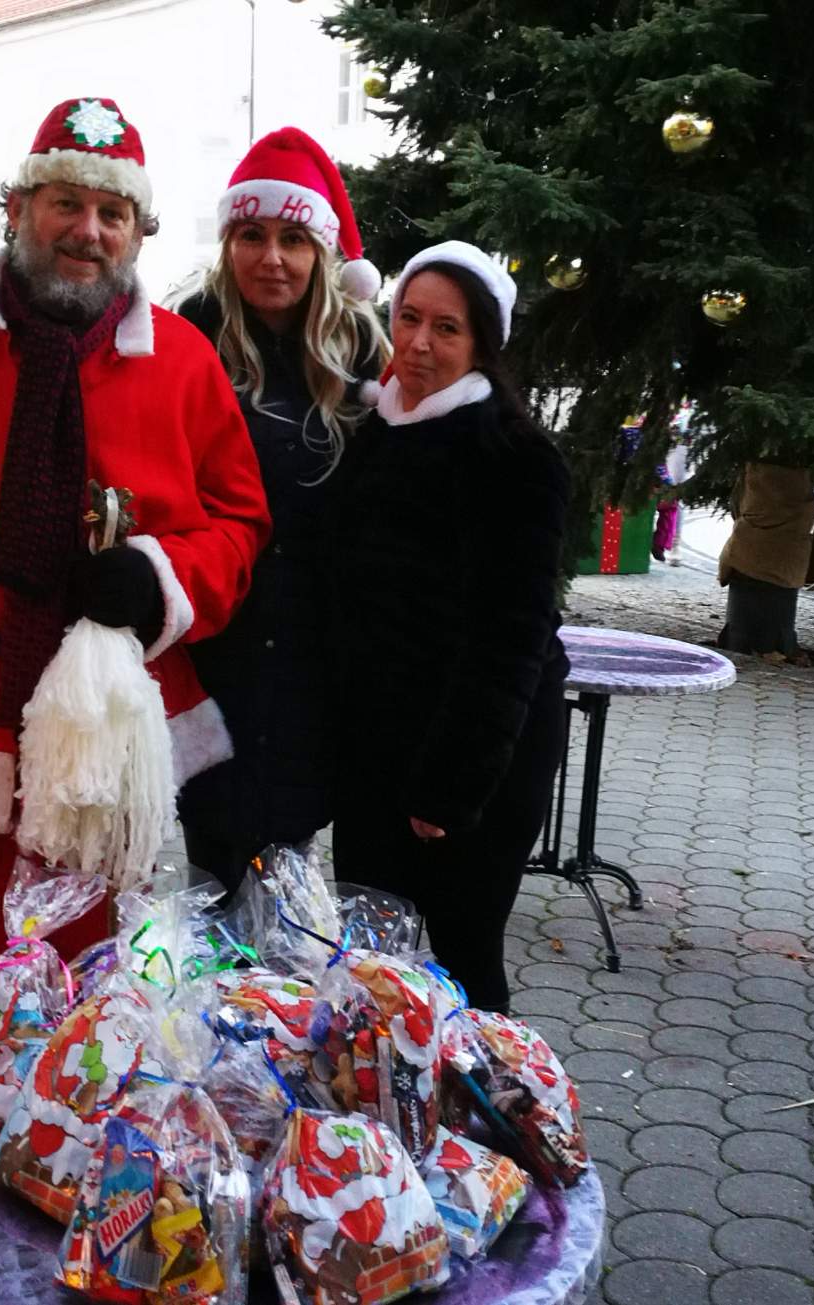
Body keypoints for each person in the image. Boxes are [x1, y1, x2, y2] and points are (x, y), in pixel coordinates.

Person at [0, 97, 270, 1052]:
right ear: (15, 208)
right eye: (65, 203)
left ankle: (89, 1146)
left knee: (98, 965)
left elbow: (243, 521)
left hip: (115, 718)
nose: (86, 232)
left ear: (139, 232)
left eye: (112, 214)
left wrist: (161, 578)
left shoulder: (182, 358)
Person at [327, 240, 569, 1014]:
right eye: (409, 319)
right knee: (371, 962)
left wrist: (450, 785)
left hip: (475, 766)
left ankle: (500, 1119)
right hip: (375, 753)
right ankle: (376, 1119)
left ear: (483, 345)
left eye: (447, 328)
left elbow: (513, 635)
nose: (421, 342)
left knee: (466, 956)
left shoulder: (516, 455)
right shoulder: (380, 433)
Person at [171, 127, 388, 891]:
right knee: (212, 829)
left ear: (322, 253)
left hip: (318, 646)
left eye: (294, 238)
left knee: (289, 843)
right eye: (253, 235)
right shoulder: (186, 334)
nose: (272, 257)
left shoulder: (361, 348)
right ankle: (207, 992)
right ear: (229, 241)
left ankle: (274, 996)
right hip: (216, 635)